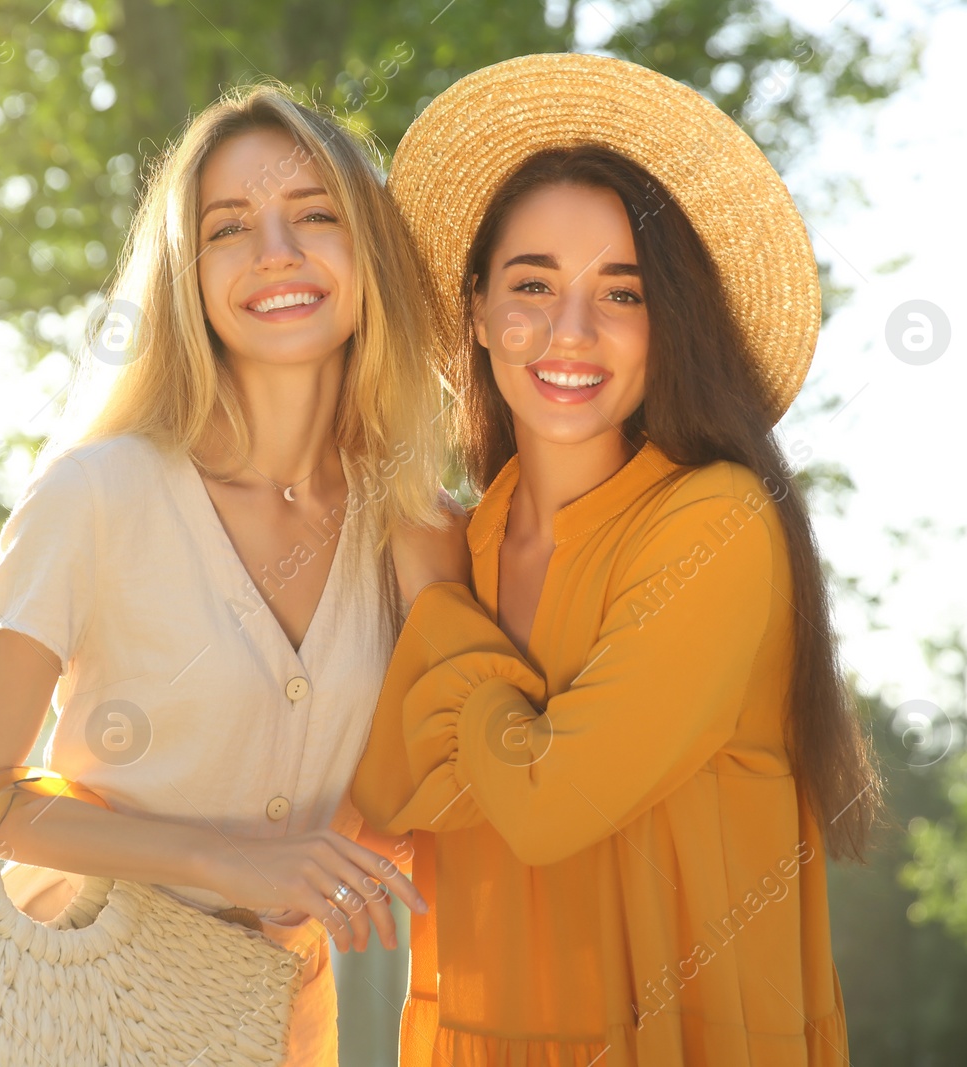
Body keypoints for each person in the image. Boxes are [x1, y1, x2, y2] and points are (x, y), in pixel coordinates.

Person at [0, 84, 467, 1066]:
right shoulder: (98, 492)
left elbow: (441, 779)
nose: (277, 253)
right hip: (63, 1006)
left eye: (313, 217)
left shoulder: (410, 524)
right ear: (186, 270)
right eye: (229, 229)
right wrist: (226, 859)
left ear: (367, 256)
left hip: (270, 1022)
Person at [353, 53, 881, 1066]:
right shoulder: (457, 537)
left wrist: (432, 601)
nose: (570, 330)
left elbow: (554, 803)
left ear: (664, 322)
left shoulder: (714, 524)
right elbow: (383, 801)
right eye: (531, 284)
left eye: (621, 292)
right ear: (473, 310)